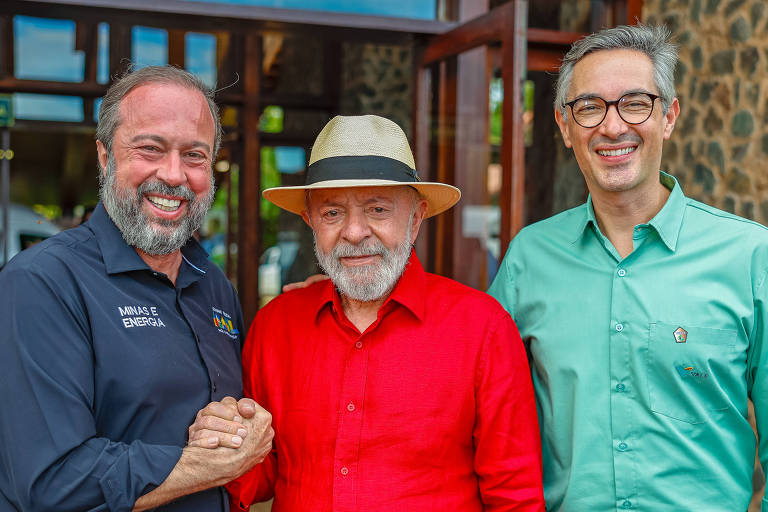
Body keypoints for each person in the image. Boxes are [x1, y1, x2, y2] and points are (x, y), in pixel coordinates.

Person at [189, 115, 545, 511]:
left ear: (416, 219)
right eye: (332, 213)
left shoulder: (483, 328)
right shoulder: (276, 326)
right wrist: (224, 443)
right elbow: (260, 474)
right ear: (310, 222)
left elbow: (515, 496)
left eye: (377, 209)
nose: (355, 232)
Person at [488, 24, 768, 510]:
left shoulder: (750, 256)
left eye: (635, 103)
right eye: (590, 107)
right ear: (564, 126)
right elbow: (477, 399)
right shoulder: (529, 259)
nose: (613, 127)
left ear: (669, 116)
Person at [0, 65, 272, 511]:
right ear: (106, 156)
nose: (173, 174)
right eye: (150, 148)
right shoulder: (41, 283)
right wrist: (207, 464)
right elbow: (53, 484)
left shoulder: (214, 285)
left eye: (195, 155)